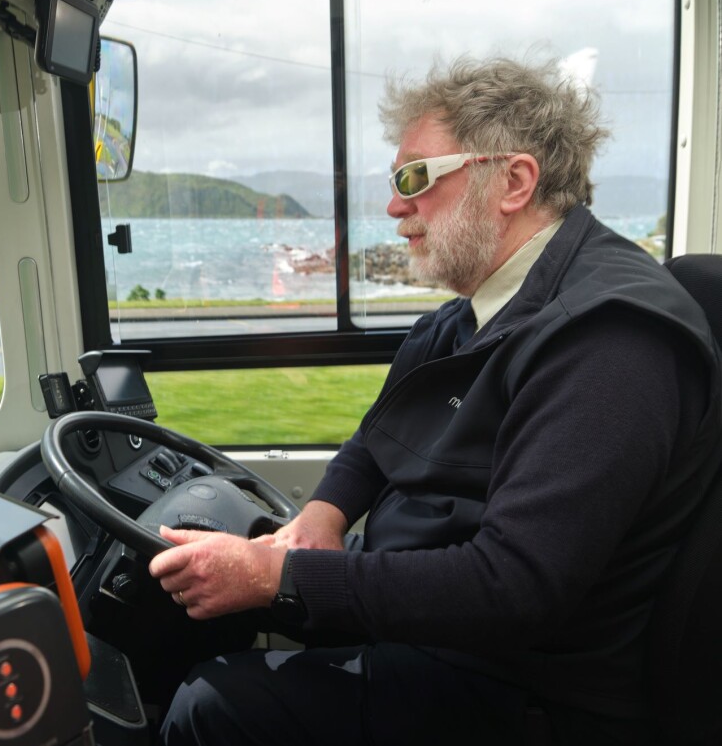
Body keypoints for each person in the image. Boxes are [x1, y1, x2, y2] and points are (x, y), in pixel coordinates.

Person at [149, 55, 722, 745]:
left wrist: (283, 576)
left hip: (526, 688)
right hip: (453, 633)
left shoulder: (610, 339)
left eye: (413, 177)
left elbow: (514, 589)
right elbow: (376, 438)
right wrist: (322, 521)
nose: (395, 206)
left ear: (512, 181)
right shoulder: (481, 306)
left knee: (211, 702)